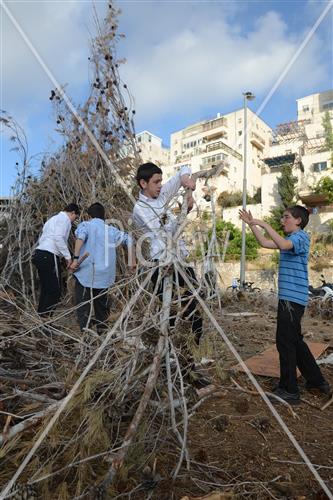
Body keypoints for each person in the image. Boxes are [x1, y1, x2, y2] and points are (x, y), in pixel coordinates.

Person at [239, 205, 331, 404]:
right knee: (295, 342)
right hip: (289, 299)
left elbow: (282, 244)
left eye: (286, 217)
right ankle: (317, 381)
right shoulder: (290, 240)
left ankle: (289, 390)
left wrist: (262, 223)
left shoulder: (300, 238)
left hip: (292, 300)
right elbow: (264, 242)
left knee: (285, 343)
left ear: (298, 221)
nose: (282, 220)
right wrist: (251, 225)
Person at [133, 162, 203, 344]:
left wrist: (186, 179)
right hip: (161, 264)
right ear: (143, 183)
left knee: (193, 305)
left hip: (180, 260)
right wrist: (184, 212)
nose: (160, 185)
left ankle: (195, 348)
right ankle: (170, 352)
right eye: (156, 182)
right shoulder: (140, 209)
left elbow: (184, 169)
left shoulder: (162, 194)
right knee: (169, 312)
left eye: (161, 181)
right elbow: (162, 231)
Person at [70, 202, 136, 334]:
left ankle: (86, 335)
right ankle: (102, 333)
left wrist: (75, 259)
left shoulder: (86, 225)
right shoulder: (112, 230)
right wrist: (132, 262)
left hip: (86, 274)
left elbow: (80, 238)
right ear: (103, 216)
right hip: (104, 277)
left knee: (83, 307)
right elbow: (129, 239)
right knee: (102, 307)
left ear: (89, 216)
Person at [32, 203, 80, 315]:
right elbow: (58, 238)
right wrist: (68, 258)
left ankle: (41, 320)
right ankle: (45, 320)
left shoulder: (52, 220)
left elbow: (44, 238)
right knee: (54, 291)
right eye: (75, 217)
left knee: (46, 289)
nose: (73, 220)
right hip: (49, 255)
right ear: (72, 212)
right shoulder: (65, 219)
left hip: (40, 253)